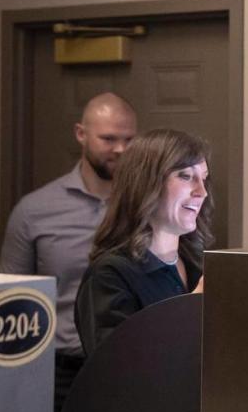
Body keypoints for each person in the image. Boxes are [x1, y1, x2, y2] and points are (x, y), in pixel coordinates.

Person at [0, 92, 137, 412]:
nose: (120, 149)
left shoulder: (149, 208)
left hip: (131, 366)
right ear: (81, 134)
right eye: (108, 139)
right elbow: (11, 300)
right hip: (58, 372)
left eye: (129, 139)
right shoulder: (35, 211)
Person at [74, 128, 213, 355]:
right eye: (186, 176)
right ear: (146, 182)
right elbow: (119, 369)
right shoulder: (109, 275)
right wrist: (192, 308)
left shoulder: (198, 264)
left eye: (204, 179)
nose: (202, 192)